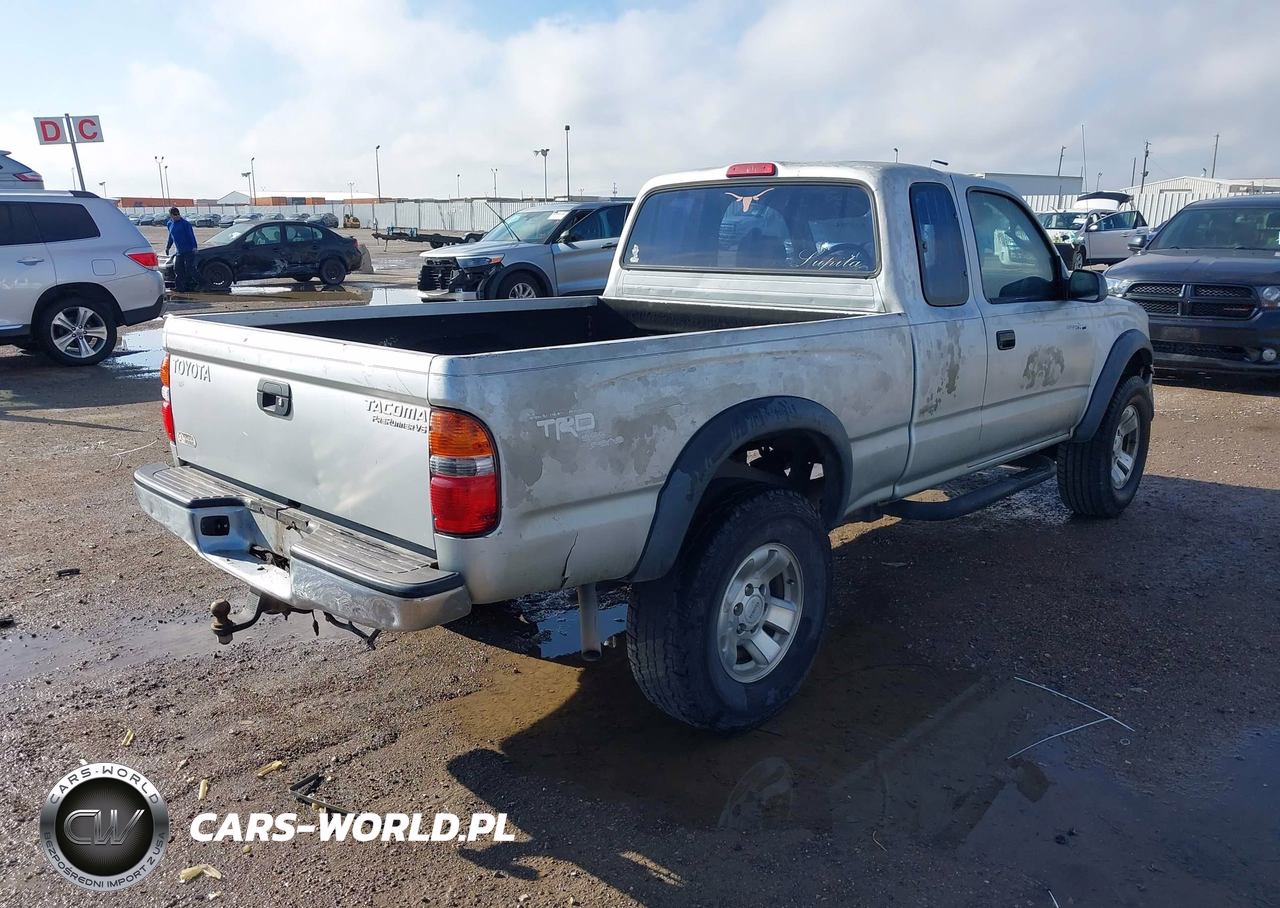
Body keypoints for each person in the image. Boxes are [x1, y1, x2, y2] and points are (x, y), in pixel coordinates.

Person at [165, 207, 198, 292]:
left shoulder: (185, 224)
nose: (177, 216)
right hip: (179, 251)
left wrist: (194, 247)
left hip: (188, 250)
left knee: (189, 268)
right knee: (178, 269)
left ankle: (202, 283)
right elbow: (171, 236)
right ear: (171, 216)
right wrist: (168, 247)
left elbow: (191, 236)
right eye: (175, 215)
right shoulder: (170, 224)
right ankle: (180, 287)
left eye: (178, 214)